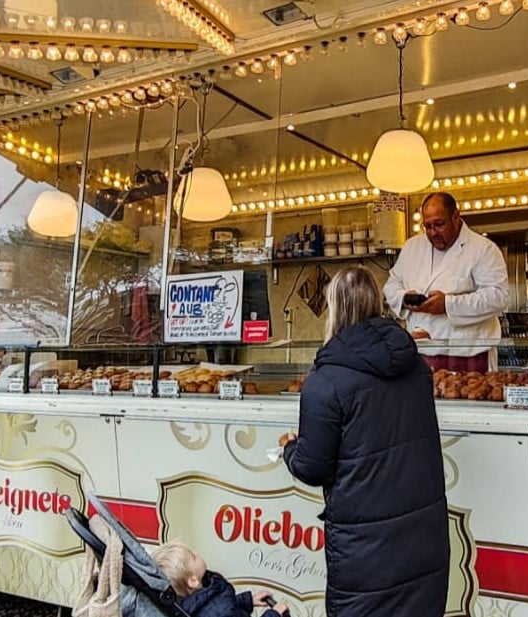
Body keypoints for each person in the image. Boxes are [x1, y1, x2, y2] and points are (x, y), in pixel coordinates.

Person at [281, 265, 449, 617]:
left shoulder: (324, 381)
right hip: (425, 540)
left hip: (366, 554)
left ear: (335, 309)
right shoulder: (417, 368)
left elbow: (311, 467)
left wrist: (290, 448)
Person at [383, 191, 509, 372]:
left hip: (468, 353)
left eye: (439, 224)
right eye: (427, 226)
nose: (433, 232)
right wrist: (405, 299)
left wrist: (449, 304)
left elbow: (498, 296)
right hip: (420, 351)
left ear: (455, 217)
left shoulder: (483, 249)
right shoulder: (412, 247)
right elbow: (391, 284)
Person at [152, 541, 290, 617]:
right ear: (193, 581)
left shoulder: (190, 604)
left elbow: (221, 605)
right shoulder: (219, 610)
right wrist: (274, 614)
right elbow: (222, 610)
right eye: (193, 556)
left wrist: (249, 601)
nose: (197, 554)